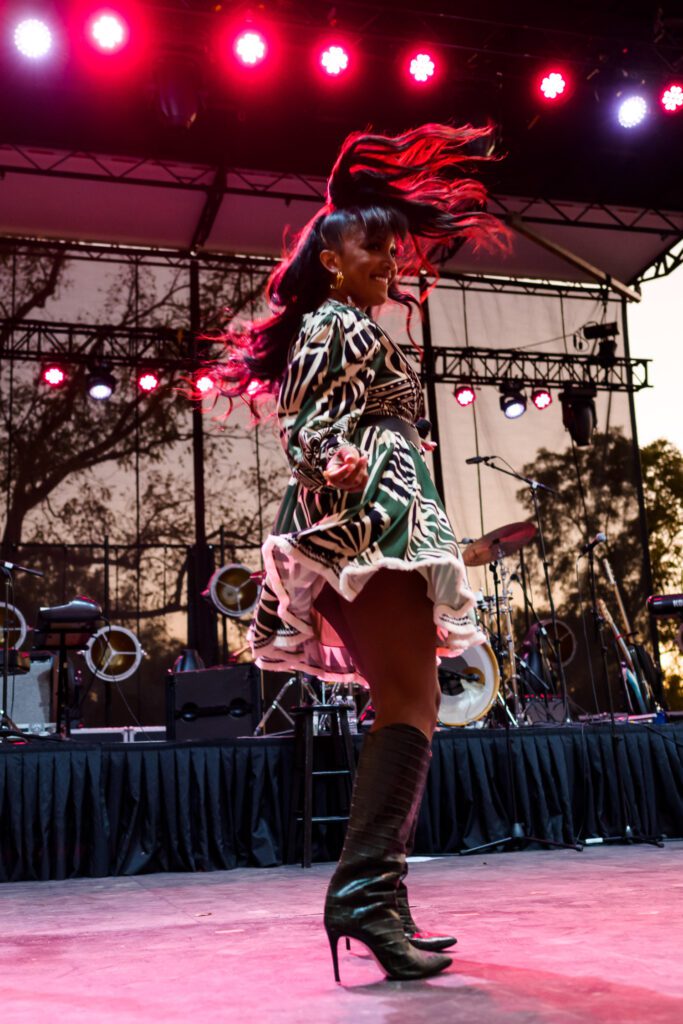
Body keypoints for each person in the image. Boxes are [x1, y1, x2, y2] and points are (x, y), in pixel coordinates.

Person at [217, 123, 508, 982]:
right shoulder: (332, 323)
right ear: (332, 262)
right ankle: (363, 897)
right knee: (410, 705)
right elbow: (304, 420)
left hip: (384, 522)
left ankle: (381, 897)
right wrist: (332, 459)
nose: (390, 260)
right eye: (372, 249)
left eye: (392, 248)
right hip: (365, 528)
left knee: (408, 703)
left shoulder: (348, 322)